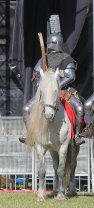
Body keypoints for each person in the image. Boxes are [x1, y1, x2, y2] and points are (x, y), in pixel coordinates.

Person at [19, 15, 84, 146]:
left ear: (58, 43)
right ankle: (29, 134)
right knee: (26, 108)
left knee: (80, 108)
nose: (49, 45)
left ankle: (76, 135)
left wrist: (56, 86)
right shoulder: (43, 59)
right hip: (45, 93)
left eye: (52, 43)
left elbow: (71, 76)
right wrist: (39, 81)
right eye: (48, 43)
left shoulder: (66, 59)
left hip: (63, 90)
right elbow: (36, 76)